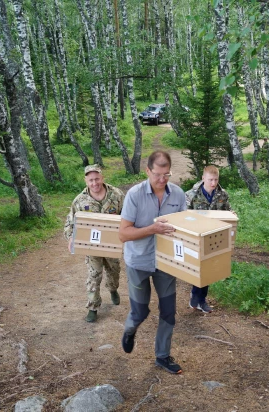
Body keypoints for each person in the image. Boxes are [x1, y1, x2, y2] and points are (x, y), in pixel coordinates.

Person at [118, 151, 186, 374]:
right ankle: (129, 330)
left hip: (166, 264)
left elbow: (185, 228)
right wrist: (152, 229)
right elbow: (124, 234)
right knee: (140, 311)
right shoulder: (134, 195)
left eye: (167, 174)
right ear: (148, 171)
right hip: (138, 261)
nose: (162, 180)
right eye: (158, 174)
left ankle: (162, 356)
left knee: (168, 311)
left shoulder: (178, 195)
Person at [64, 164, 125, 323]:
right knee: (94, 275)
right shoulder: (79, 200)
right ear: (86, 180)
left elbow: (127, 216)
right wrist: (71, 237)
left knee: (114, 271)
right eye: (90, 180)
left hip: (112, 245)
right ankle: (93, 307)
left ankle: (113, 289)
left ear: (102, 177)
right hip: (92, 246)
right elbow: (70, 223)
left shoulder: (117, 195)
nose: (94, 183)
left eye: (97, 178)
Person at [185, 165, 233, 314]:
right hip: (195, 236)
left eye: (216, 179)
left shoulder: (222, 195)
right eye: (210, 179)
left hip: (214, 237)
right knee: (198, 266)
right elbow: (183, 216)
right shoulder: (191, 195)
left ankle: (200, 299)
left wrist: (231, 214)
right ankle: (197, 297)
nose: (213, 183)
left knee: (209, 267)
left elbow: (227, 212)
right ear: (203, 178)